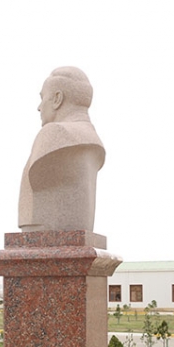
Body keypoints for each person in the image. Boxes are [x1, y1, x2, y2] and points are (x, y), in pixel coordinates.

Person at [18, 66, 105, 233]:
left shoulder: (54, 134)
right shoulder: (93, 140)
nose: (39, 107)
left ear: (57, 98)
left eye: (43, 98)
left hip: (44, 237)